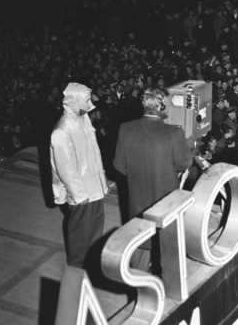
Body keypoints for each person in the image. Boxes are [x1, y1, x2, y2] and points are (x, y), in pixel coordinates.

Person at [50, 82, 109, 268]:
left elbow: (94, 153)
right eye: (86, 100)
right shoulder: (61, 131)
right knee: (80, 234)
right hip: (82, 193)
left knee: (95, 229)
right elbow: (65, 169)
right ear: (74, 102)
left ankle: (92, 264)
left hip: (95, 188)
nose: (90, 104)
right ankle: (76, 271)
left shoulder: (83, 120)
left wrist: (102, 181)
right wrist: (79, 195)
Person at [113, 87, 191, 221]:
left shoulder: (125, 128)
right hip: (166, 202)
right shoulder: (174, 132)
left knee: (140, 237)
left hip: (137, 201)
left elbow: (119, 165)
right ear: (161, 107)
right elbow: (184, 164)